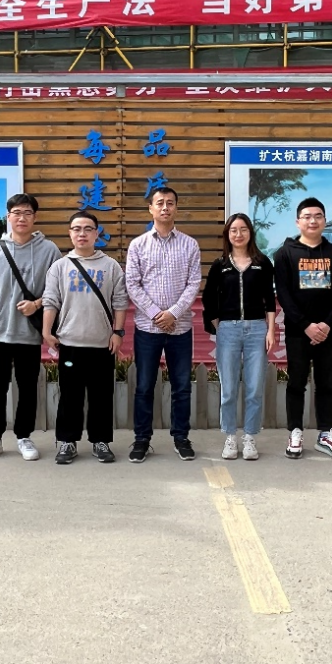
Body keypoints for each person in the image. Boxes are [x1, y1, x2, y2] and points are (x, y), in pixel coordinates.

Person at [0, 193, 62, 462]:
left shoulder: (49, 250)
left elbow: (58, 290)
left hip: (30, 334)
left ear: (35, 217)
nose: (22, 218)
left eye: (27, 213)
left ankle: (24, 436)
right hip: (0, 332)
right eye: (17, 213)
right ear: (8, 217)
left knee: (27, 388)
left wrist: (36, 304)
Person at [42, 211, 129, 465]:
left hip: (102, 344)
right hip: (70, 344)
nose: (82, 233)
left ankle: (100, 442)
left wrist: (118, 332)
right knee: (70, 396)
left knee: (101, 396)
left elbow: (120, 301)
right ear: (70, 233)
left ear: (96, 233)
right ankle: (67, 442)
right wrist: (47, 331)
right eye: (76, 229)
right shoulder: (60, 267)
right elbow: (51, 301)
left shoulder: (110, 266)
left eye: (88, 229)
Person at [125, 186, 202, 462]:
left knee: (182, 386)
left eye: (170, 203)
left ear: (176, 208)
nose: (165, 207)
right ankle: (141, 440)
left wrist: (174, 314)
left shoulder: (190, 245)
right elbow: (132, 284)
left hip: (180, 329)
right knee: (144, 386)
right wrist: (157, 314)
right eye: (159, 203)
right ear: (151, 208)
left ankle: (181, 437)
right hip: (148, 329)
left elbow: (194, 283)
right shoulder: (138, 245)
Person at [273, 197, 332, 460]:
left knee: (326, 384)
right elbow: (283, 294)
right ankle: (295, 432)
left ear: (325, 221)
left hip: (330, 331)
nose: (312, 221)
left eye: (318, 216)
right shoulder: (285, 254)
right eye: (307, 216)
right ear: (298, 222)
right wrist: (306, 325)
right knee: (296, 383)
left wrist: (327, 324)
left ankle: (325, 434)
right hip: (298, 332)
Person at [202, 213, 276, 461]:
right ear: (227, 234)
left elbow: (270, 300)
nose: (238, 234)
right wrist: (219, 324)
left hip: (257, 329)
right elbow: (208, 297)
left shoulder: (262, 263)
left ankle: (250, 438)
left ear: (250, 233)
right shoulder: (220, 265)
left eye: (243, 229)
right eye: (233, 230)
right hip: (229, 330)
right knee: (229, 389)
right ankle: (230, 437)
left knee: (254, 388)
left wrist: (270, 330)